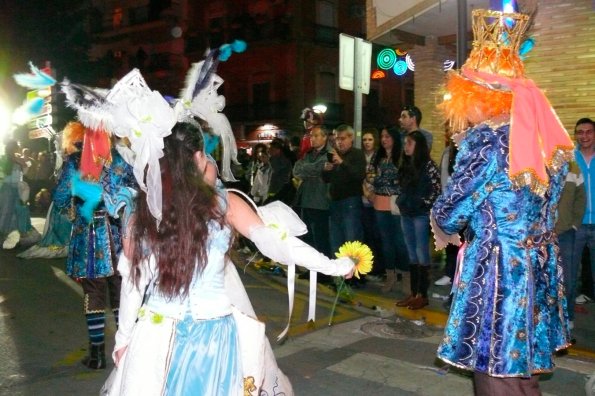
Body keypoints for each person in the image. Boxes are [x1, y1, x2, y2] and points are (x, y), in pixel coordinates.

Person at [111, 121, 355, 394]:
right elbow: (278, 244)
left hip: (156, 336)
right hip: (212, 337)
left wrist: (123, 339)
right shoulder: (222, 203)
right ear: (198, 157)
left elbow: (134, 282)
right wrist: (335, 265)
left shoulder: (144, 209)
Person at [431, 8, 573, 394]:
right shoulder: (543, 138)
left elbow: (455, 204)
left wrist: (441, 222)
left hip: (498, 269)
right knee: (522, 366)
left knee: (493, 362)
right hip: (539, 262)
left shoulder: (489, 139)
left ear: (481, 95)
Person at [53, 121, 136, 370]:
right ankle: (127, 351)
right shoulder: (119, 161)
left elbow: (59, 199)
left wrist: (73, 204)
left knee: (94, 294)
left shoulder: (73, 163)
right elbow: (135, 190)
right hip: (118, 234)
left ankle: (97, 355)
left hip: (87, 235)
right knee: (122, 291)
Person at [395, 131, 440, 309]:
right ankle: (414, 293)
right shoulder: (405, 164)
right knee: (411, 253)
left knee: (422, 253)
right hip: (406, 212)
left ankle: (423, 295)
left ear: (418, 146)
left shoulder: (429, 166)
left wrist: (423, 203)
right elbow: (400, 186)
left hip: (420, 214)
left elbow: (437, 191)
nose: (406, 147)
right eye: (405, 143)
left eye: (409, 143)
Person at [369, 126, 409, 292]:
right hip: (379, 202)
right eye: (382, 136)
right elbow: (370, 176)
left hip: (396, 203)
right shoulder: (377, 156)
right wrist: (380, 180)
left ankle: (406, 276)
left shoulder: (401, 156)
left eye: (388, 136)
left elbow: (400, 178)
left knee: (400, 242)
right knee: (386, 242)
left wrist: (381, 179)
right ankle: (390, 275)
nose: (384, 139)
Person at [322, 124, 366, 256]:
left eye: (342, 138)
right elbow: (326, 179)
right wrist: (326, 170)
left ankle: (354, 274)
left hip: (350, 202)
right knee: (336, 238)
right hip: (335, 202)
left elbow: (359, 175)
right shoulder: (334, 154)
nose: (339, 142)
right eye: (336, 139)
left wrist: (342, 162)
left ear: (351, 138)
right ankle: (339, 273)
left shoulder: (357, 154)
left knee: (351, 238)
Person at [554, 149, 585, 334]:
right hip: (543, 235)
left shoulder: (573, 169)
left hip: (566, 233)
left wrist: (574, 224)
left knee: (568, 278)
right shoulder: (538, 165)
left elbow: (581, 198)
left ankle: (568, 317)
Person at [0, 140, 40, 249]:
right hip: (8, 189)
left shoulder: (16, 158)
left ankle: (15, 235)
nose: (18, 148)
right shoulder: (5, 158)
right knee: (7, 211)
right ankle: (6, 235)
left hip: (16, 188)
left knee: (18, 211)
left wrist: (25, 161)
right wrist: (22, 160)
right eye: (16, 147)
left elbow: (26, 169)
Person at [573, 117, 595, 308]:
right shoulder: (569, 159)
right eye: (580, 132)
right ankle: (568, 323)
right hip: (576, 225)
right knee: (570, 276)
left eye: (589, 131)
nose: (584, 136)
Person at [360, 128, 383, 278]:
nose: (367, 142)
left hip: (377, 200)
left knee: (377, 235)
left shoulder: (379, 158)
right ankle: (369, 266)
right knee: (366, 234)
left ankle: (380, 267)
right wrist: (365, 192)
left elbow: (381, 177)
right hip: (363, 200)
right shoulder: (360, 157)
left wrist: (373, 193)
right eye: (364, 140)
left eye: (370, 139)